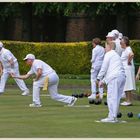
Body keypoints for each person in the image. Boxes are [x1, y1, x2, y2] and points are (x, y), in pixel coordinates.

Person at [12, 54, 77, 107]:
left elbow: (39, 72)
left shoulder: (36, 62)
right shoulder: (33, 67)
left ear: (30, 59)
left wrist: (36, 79)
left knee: (36, 84)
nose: (26, 61)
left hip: (50, 77)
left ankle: (36, 103)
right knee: (54, 96)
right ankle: (71, 99)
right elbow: (26, 76)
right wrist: (15, 76)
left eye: (26, 60)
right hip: (54, 77)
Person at [97, 41, 126, 123]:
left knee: (111, 97)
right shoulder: (116, 55)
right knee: (116, 98)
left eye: (105, 46)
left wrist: (98, 78)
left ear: (109, 47)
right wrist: (103, 81)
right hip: (121, 77)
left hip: (115, 78)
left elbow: (104, 68)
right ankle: (114, 116)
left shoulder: (108, 54)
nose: (105, 48)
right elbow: (111, 70)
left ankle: (111, 117)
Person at [120, 36, 136, 106]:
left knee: (128, 85)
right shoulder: (125, 50)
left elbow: (132, 54)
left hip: (128, 70)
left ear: (125, 43)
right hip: (126, 70)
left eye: (121, 42)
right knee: (126, 85)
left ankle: (129, 101)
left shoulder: (128, 49)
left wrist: (128, 61)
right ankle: (127, 100)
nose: (120, 43)